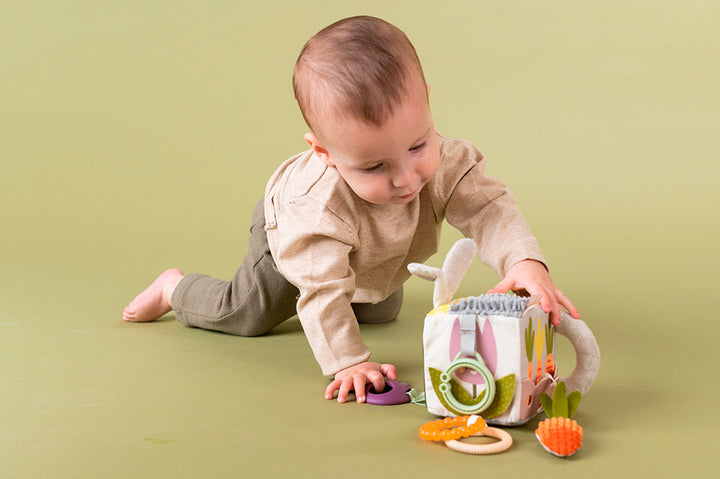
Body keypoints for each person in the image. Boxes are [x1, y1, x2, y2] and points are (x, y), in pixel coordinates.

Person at [122, 15, 580, 404]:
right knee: (247, 314)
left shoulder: (443, 163)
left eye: (418, 144)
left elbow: (489, 209)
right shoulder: (315, 212)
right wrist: (351, 362)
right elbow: (321, 292)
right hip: (292, 242)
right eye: (375, 165)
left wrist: (524, 261)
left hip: (375, 247)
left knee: (380, 308)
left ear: (426, 101)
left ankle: (361, 289)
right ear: (323, 152)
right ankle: (174, 289)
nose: (405, 178)